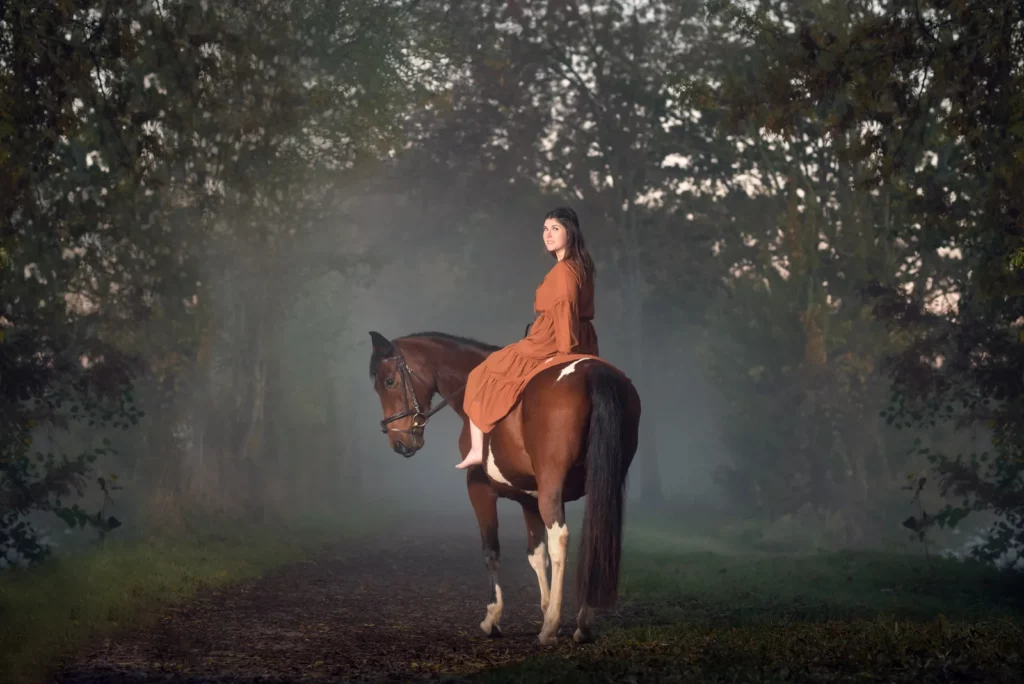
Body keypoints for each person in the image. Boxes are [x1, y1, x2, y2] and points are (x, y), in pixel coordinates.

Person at [457, 206, 599, 469]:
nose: (548, 234)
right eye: (545, 229)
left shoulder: (565, 271)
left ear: (571, 232)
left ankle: (477, 449)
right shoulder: (581, 265)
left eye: (555, 228)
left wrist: (565, 353)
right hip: (574, 333)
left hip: (553, 338)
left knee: (482, 372)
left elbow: (566, 308)